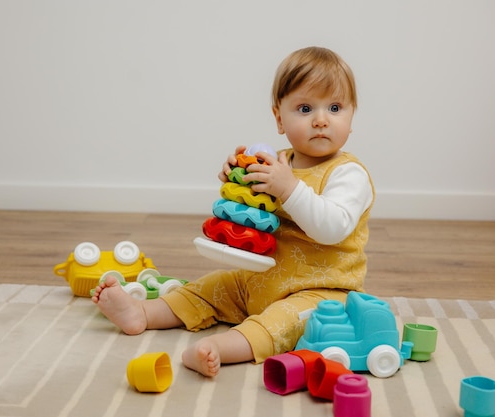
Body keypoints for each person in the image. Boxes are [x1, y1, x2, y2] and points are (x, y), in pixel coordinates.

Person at [92, 46, 375, 377]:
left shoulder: (348, 174)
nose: (321, 119)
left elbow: (332, 227)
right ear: (279, 119)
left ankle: (218, 349)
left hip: (324, 293)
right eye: (304, 108)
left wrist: (288, 188)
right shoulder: (276, 163)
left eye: (335, 107)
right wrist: (237, 178)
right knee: (211, 288)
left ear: (352, 117)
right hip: (260, 279)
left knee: (280, 322)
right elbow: (250, 209)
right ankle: (142, 312)